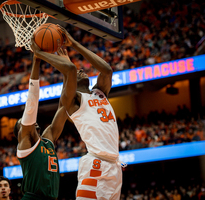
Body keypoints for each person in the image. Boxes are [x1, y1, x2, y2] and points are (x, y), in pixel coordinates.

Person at [57, 25, 125, 200]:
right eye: (77, 72)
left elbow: (107, 70)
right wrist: (67, 66)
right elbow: (71, 72)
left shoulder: (99, 92)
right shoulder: (73, 101)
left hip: (115, 165)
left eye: (82, 70)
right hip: (96, 162)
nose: (81, 70)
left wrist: (75, 45)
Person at [13, 38, 77, 199]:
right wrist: (36, 60)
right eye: (23, 123)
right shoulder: (26, 141)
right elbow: (32, 101)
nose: (27, 121)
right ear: (19, 133)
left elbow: (64, 105)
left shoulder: (48, 139)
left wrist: (67, 72)